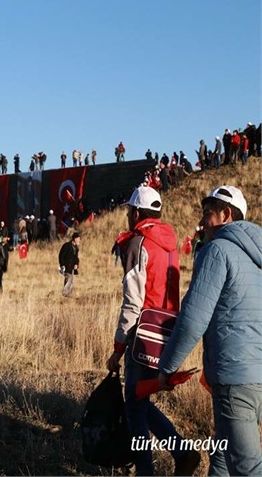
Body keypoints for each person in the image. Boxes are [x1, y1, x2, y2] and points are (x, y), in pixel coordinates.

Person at [159, 186, 261, 476]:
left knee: (247, 468)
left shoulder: (216, 250)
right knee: (222, 456)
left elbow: (192, 318)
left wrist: (167, 367)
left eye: (207, 214)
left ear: (226, 214)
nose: (201, 222)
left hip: (235, 378)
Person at [106, 186, 200, 476]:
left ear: (135, 213)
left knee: (135, 405)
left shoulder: (139, 243)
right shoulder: (169, 242)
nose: (126, 215)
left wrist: (118, 347)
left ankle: (148, 470)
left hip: (142, 334)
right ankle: (183, 454)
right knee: (139, 400)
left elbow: (133, 302)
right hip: (167, 332)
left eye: (128, 211)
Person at [58, 232, 80, 297]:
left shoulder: (76, 248)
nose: (79, 240)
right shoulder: (66, 246)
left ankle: (68, 294)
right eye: (78, 239)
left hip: (72, 267)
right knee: (69, 279)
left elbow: (76, 258)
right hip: (66, 266)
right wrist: (62, 264)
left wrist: (76, 264)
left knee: (70, 281)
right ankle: (65, 293)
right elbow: (61, 256)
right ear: (75, 239)